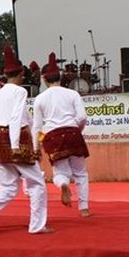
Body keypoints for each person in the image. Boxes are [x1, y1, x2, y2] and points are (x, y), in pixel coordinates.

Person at [0, 46, 54, 234]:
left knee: (9, 187)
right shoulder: (20, 92)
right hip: (12, 136)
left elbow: (16, 117)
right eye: (23, 74)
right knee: (36, 183)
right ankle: (37, 225)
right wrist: (16, 145)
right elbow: (16, 118)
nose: (24, 77)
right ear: (19, 73)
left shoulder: (0, 92)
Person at [32, 53, 91, 217]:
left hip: (53, 136)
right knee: (81, 173)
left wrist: (36, 147)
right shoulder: (72, 94)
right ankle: (84, 208)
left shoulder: (40, 98)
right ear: (61, 77)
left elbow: (37, 126)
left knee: (60, 173)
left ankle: (63, 184)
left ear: (44, 79)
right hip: (72, 132)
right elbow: (82, 117)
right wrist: (76, 130)